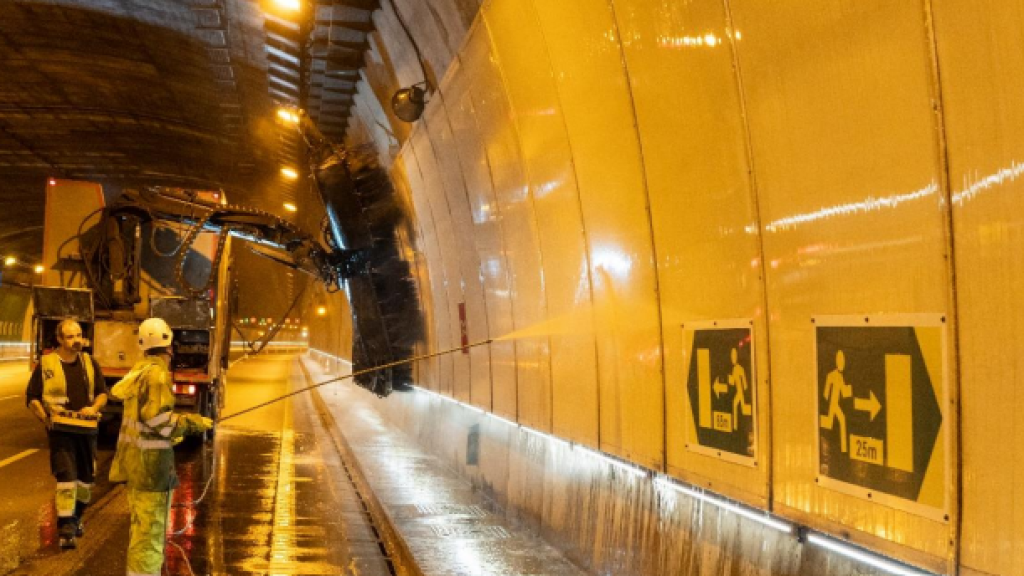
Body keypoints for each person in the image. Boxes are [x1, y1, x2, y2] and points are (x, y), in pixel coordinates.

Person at [109, 317, 211, 576]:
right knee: (151, 537)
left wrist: (170, 437)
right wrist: (192, 423)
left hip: (136, 467)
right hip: (151, 472)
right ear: (168, 346)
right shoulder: (157, 375)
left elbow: (145, 424)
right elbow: (158, 419)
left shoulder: (140, 371)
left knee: (141, 533)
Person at [25, 318, 107, 550]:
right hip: (61, 432)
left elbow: (102, 394)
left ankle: (77, 517)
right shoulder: (48, 363)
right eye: (70, 337)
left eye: (78, 335)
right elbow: (32, 397)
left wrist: (94, 408)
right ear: (59, 339)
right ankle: (66, 528)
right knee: (66, 479)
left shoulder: (90, 363)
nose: (76, 341)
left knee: (86, 482)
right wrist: (46, 419)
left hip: (87, 431)